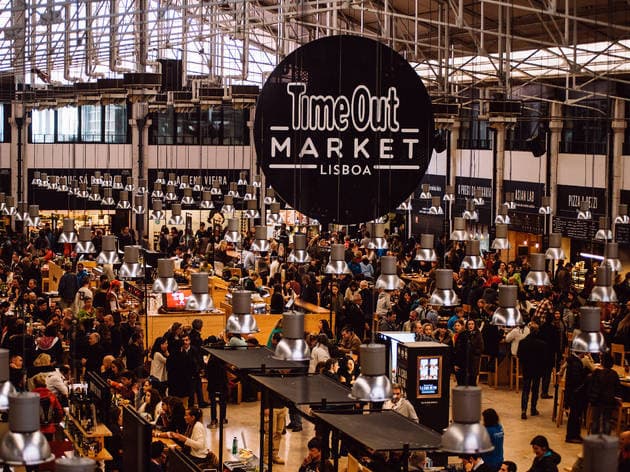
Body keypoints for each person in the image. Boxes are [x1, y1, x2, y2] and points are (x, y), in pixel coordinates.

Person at [517, 321, 547, 419]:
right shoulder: (542, 344)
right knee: (535, 390)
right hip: (537, 370)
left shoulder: (522, 342)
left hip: (527, 368)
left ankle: (523, 410)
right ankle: (533, 409)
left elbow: (519, 356)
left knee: (525, 390)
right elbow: (544, 359)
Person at [588, 352, 621, 434]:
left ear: (602, 362)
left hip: (597, 400)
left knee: (595, 419)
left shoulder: (597, 373)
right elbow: (617, 388)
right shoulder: (614, 374)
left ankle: (594, 437)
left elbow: (592, 386)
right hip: (609, 400)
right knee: (607, 420)